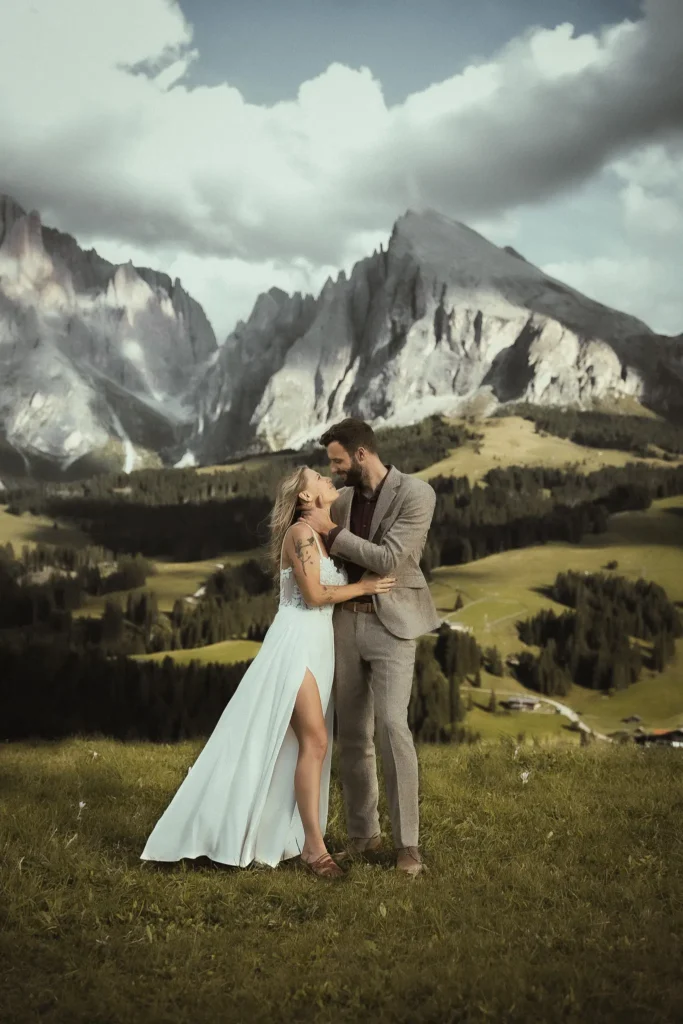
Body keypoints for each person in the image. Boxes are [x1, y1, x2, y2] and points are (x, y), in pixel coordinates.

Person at [140, 466, 395, 879]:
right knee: (315, 741)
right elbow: (313, 596)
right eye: (318, 478)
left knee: (298, 744)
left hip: (319, 646)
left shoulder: (323, 535)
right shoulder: (299, 535)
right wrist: (363, 588)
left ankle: (277, 833)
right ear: (306, 498)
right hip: (295, 642)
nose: (327, 479)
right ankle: (315, 848)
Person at [302, 418, 441, 877]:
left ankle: (408, 847)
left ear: (361, 454)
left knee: (391, 727)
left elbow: (389, 561)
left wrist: (334, 533)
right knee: (354, 736)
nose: (335, 471)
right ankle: (364, 836)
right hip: (344, 624)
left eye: (338, 461)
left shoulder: (417, 494)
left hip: (392, 628)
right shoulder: (340, 500)